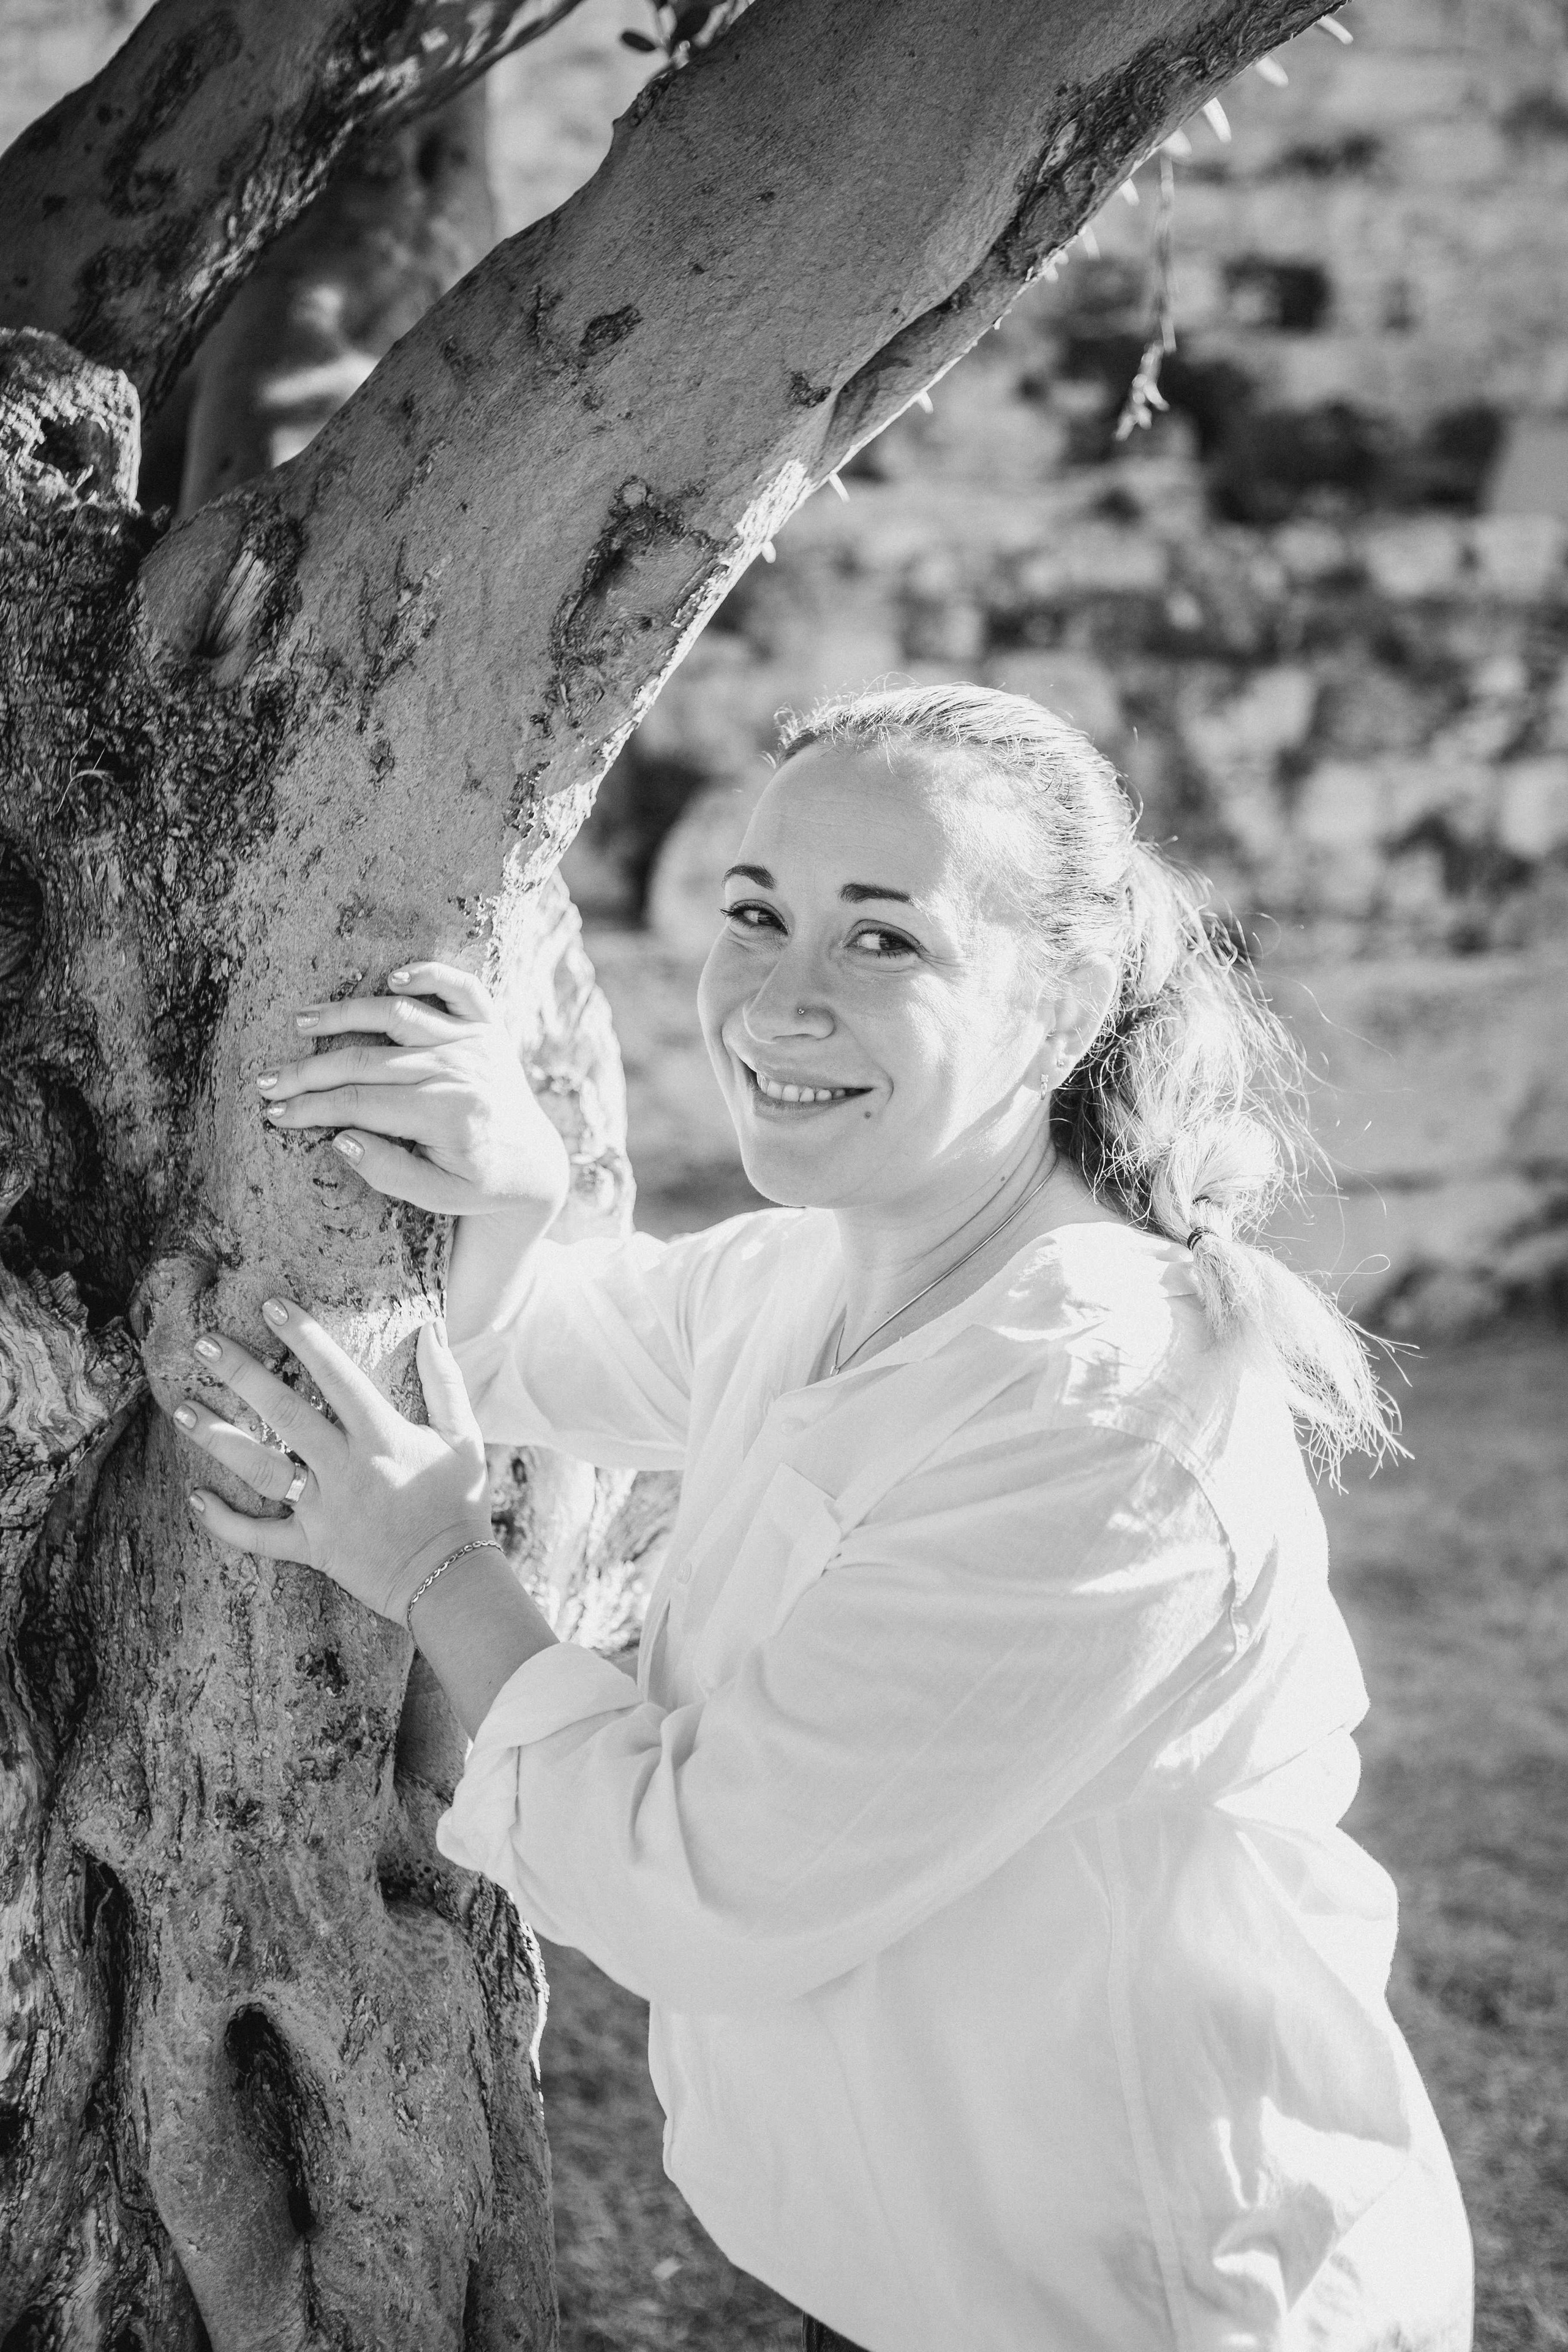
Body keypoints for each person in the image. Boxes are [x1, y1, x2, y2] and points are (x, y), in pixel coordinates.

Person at [172, 686, 1473, 2351]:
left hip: (1144, 2295)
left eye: (884, 941)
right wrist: (517, 1191)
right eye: (756, 915)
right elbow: (526, 1346)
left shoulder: (1103, 1413)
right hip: (899, 2279)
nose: (781, 1001)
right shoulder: (821, 1269)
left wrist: (437, 1564)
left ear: (1066, 1001)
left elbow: (699, 1885)